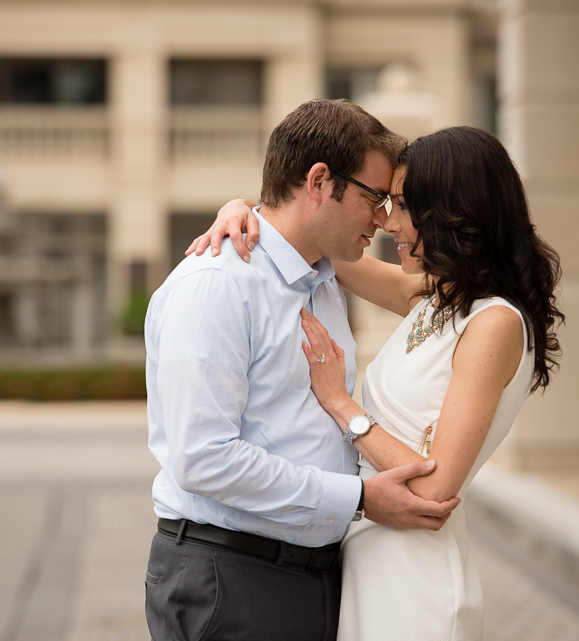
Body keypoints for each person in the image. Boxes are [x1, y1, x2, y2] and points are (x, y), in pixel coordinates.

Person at [188, 125, 564, 640]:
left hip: (416, 576)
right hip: (367, 562)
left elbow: (434, 488)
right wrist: (243, 210)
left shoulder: (493, 323)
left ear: (453, 212)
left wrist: (342, 405)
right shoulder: (434, 298)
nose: (388, 222)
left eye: (404, 205)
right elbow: (313, 236)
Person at [144, 99, 461, 641]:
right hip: (232, 578)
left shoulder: (326, 276)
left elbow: (432, 288)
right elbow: (202, 457)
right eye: (375, 197)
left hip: (310, 577)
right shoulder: (217, 285)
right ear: (319, 180)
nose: (384, 219)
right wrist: (360, 499)